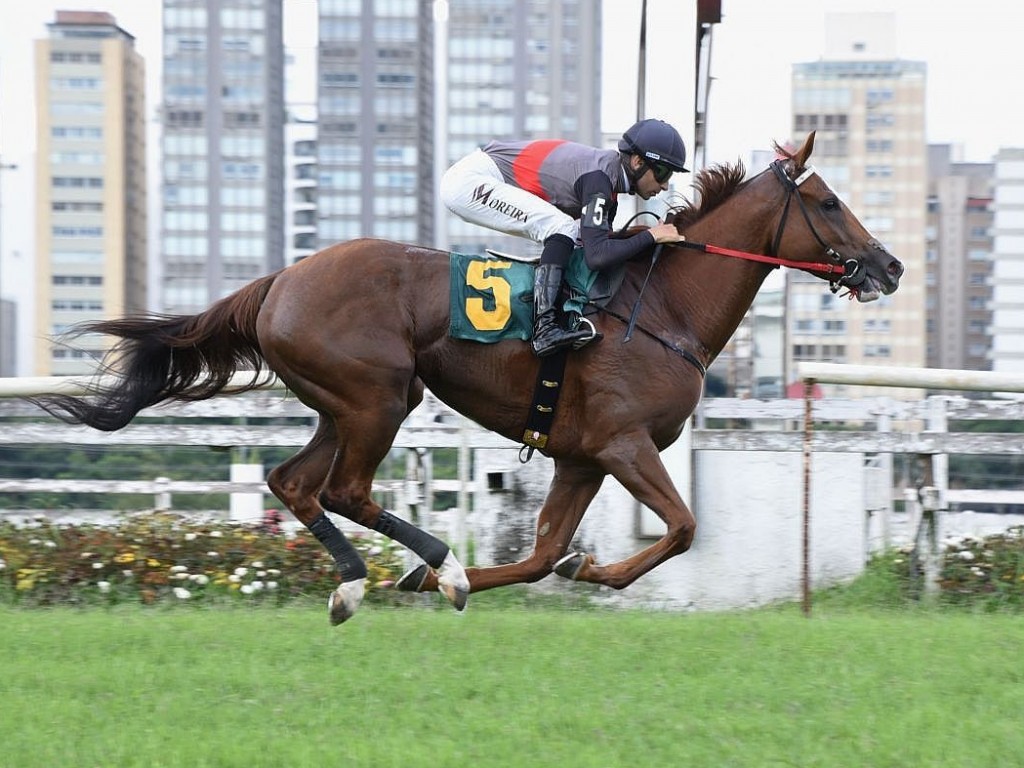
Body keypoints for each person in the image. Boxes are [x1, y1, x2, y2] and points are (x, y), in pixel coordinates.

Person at [441, 118, 689, 357]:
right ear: (637, 162)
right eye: (663, 173)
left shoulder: (607, 183)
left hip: (479, 177)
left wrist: (651, 237)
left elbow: (593, 249)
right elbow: (598, 257)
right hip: (470, 181)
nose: (665, 185)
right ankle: (544, 329)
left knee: (567, 232)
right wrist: (651, 236)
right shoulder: (599, 180)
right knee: (561, 227)